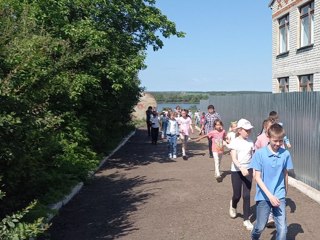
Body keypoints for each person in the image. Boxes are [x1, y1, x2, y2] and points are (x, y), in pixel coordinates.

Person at [250, 123, 293, 240]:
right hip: (264, 195)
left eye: (281, 141)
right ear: (268, 137)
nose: (278, 144)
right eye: (275, 141)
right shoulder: (260, 154)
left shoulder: (285, 154)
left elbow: (285, 173)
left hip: (279, 194)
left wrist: (285, 192)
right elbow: (257, 177)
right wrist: (270, 196)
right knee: (260, 226)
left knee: (283, 229)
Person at [227, 118, 255, 231]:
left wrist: (255, 168)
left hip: (248, 170)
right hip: (236, 171)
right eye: (246, 130)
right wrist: (241, 167)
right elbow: (234, 158)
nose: (249, 132)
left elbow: (253, 156)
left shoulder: (251, 142)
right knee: (237, 195)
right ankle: (233, 205)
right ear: (239, 130)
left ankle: (246, 219)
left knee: (247, 195)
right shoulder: (234, 142)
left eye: (250, 130)